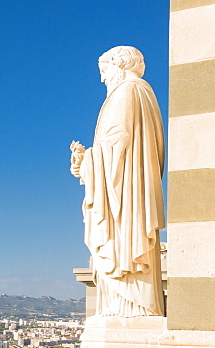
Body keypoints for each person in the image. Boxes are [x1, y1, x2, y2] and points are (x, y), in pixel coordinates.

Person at [70, 45, 165, 317]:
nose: (102, 78)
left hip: (125, 194)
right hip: (126, 186)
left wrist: (89, 159)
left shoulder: (128, 91)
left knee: (121, 251)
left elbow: (118, 142)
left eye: (104, 70)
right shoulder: (140, 93)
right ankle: (126, 306)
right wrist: (87, 162)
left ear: (121, 65)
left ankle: (130, 306)